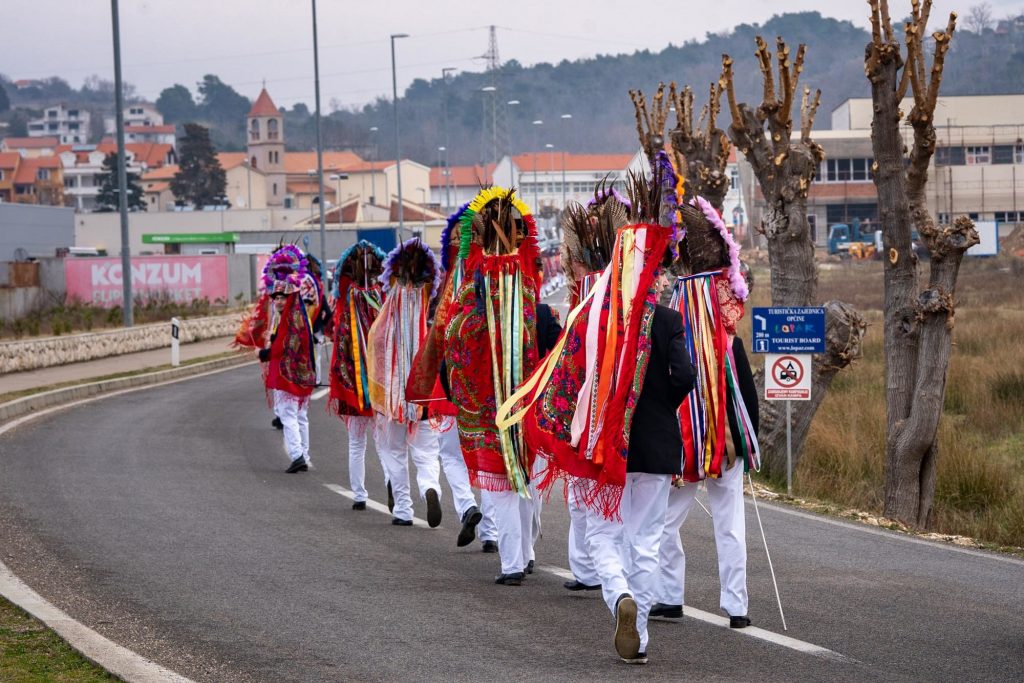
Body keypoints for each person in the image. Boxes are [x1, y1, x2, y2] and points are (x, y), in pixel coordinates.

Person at [497, 169, 694, 664]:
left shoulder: (589, 318)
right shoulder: (669, 320)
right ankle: (641, 635)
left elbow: (562, 379)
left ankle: (619, 598)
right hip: (657, 447)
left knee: (605, 536)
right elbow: (686, 377)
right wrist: (660, 409)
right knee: (646, 541)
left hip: (603, 447)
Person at [651, 195, 761, 628]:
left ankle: (669, 596)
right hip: (727, 445)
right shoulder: (730, 343)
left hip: (683, 447)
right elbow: (747, 400)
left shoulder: (672, 337)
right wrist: (748, 445)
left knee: (663, 521)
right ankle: (737, 608)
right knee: (730, 526)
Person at [443, 187, 543, 585]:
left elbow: (458, 334)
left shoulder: (476, 283)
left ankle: (513, 563)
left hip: (489, 401)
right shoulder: (528, 284)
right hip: (520, 396)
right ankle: (526, 553)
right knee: (521, 474)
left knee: (502, 483)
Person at [367, 238, 445, 527]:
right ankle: (430, 489)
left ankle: (402, 509)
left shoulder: (385, 321)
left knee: (394, 453)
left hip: (392, 401)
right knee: (426, 454)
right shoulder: (432, 318)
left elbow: (374, 350)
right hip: (425, 400)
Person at [328, 241, 388, 510]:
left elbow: (339, 341)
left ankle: (360, 495)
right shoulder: (383, 301)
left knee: (356, 443)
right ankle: (393, 485)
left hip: (353, 386)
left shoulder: (347, 301)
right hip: (379, 385)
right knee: (385, 442)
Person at [256, 246, 320, 473]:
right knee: (299, 415)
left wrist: (265, 353)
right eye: (276, 298)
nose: (278, 301)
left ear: (289, 297)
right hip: (300, 374)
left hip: (288, 374)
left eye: (282, 297)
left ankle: (297, 455)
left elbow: (283, 345)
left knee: (288, 414)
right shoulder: (295, 314)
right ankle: (303, 453)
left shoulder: (291, 318)